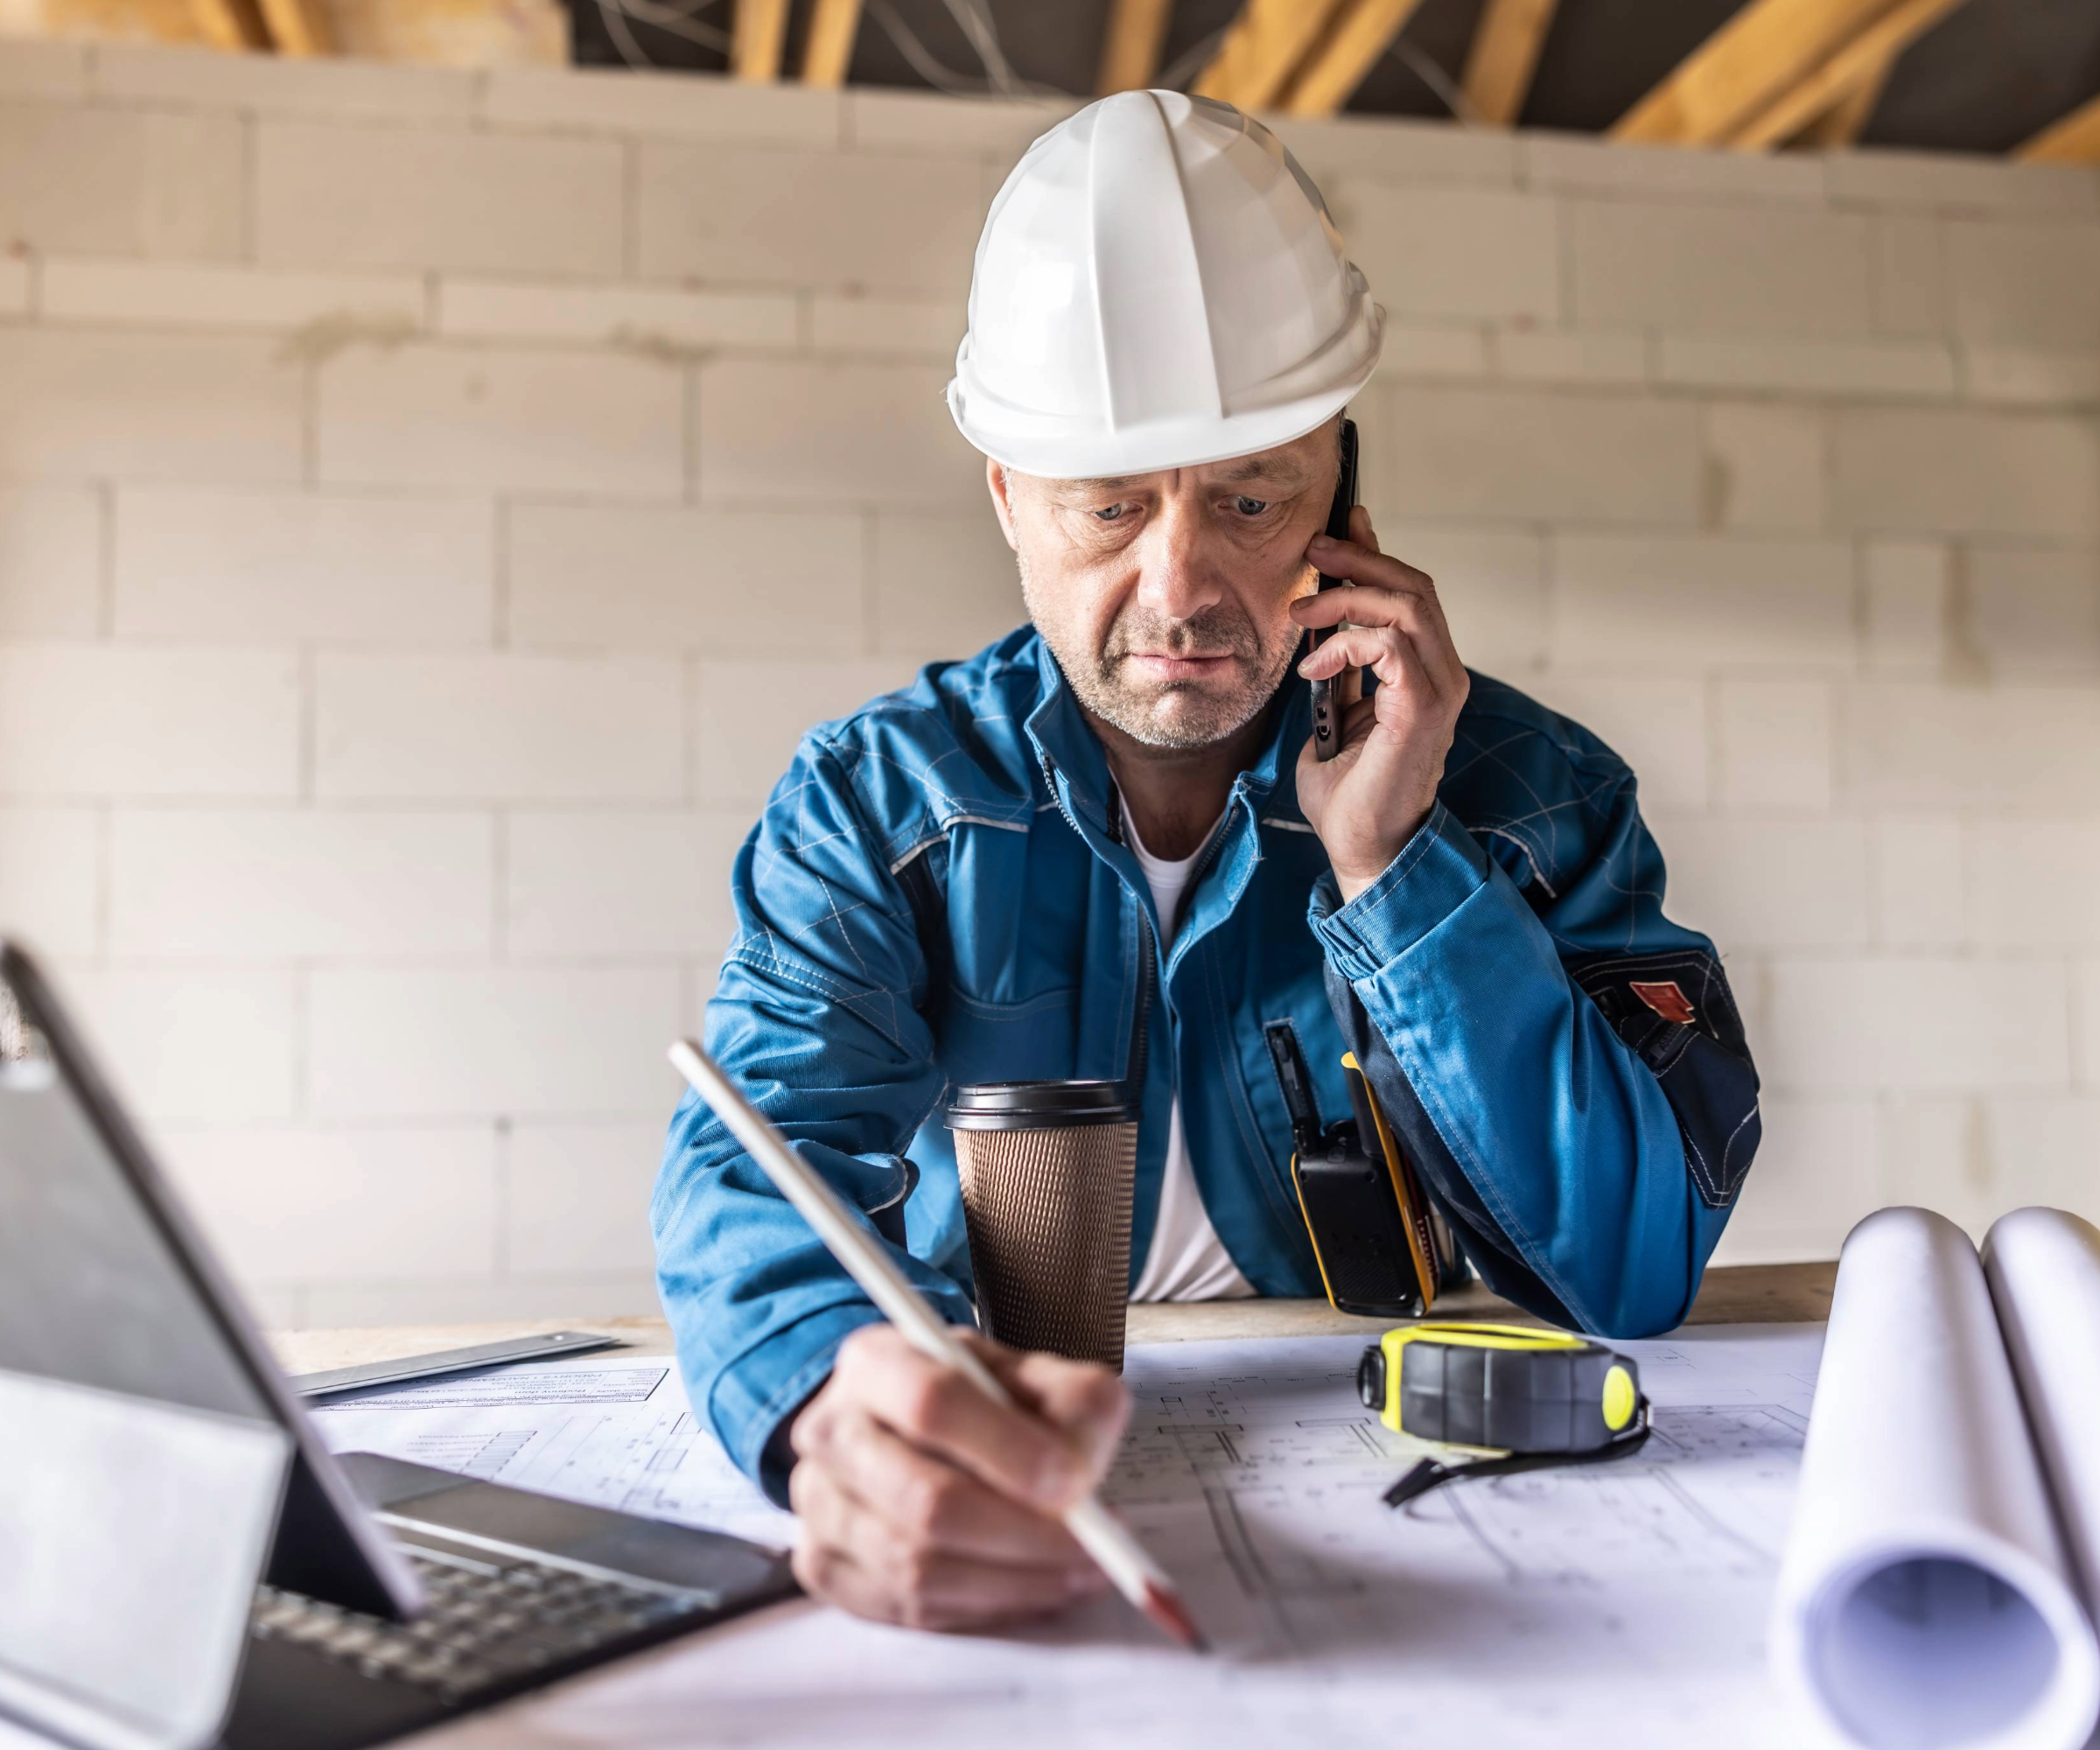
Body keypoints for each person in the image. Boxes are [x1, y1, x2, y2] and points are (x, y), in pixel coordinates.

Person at [653, 90, 1760, 1633]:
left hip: (1408, 1478)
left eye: (1251, 499)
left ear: (1348, 503)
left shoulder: (1531, 796)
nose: (1180, 590)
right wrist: (831, 1408)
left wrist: (1395, 863)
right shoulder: (871, 805)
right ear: (1008, 503)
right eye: (1107, 510)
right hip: (1027, 1446)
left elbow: (1633, 1274)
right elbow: (753, 1168)